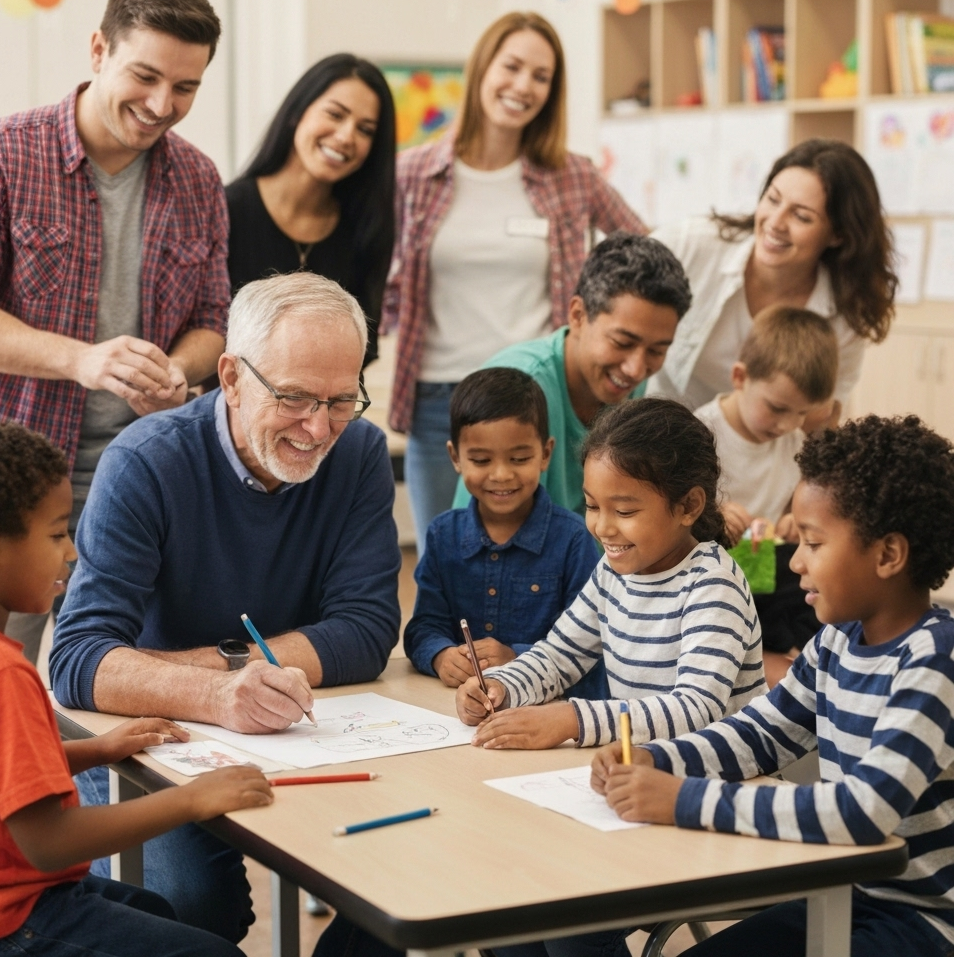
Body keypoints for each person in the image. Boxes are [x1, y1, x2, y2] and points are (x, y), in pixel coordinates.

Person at [48, 273, 401, 943]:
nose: (318, 427)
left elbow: (366, 632)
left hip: (303, 734)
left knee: (392, 881)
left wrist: (199, 670)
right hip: (153, 744)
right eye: (295, 398)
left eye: (340, 400)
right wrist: (216, 693)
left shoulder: (358, 452)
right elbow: (78, 660)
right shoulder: (145, 462)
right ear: (232, 377)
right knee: (194, 906)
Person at [0, 0, 230, 664]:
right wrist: (82, 359)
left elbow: (214, 315)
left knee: (117, 671)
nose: (162, 105)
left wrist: (174, 371)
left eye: (185, 88)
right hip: (10, 478)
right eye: (146, 76)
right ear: (98, 49)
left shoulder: (199, 179)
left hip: (142, 473)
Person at [592, 414, 954, 957]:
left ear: (887, 555)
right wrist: (655, 759)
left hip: (921, 919)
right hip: (841, 891)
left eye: (811, 542)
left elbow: (861, 812)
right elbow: (758, 735)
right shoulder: (836, 641)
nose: (797, 562)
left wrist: (682, 799)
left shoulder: (934, 661)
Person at [0, 418, 273, 957]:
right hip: (0, 920)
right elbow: (48, 842)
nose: (71, 553)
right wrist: (191, 800)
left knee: (155, 911)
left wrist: (98, 749)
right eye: (56, 533)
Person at [454, 398, 764, 957]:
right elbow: (559, 655)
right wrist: (504, 685)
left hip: (712, 796)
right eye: (594, 506)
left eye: (624, 510)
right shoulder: (616, 571)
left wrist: (572, 718)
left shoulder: (712, 584)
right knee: (502, 896)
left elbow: (698, 710)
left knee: (570, 914)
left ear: (689, 505)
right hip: (634, 787)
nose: (600, 526)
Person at [383, 11, 646, 551]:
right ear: (483, 68)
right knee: (447, 566)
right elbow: (374, 270)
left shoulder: (571, 174)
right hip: (440, 401)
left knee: (543, 562)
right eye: (513, 67)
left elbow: (642, 249)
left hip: (535, 397)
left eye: (541, 76)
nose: (523, 86)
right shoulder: (413, 173)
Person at [646, 138, 897, 425]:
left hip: (764, 452)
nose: (775, 222)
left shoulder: (844, 313)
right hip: (662, 436)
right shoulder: (690, 245)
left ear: (837, 235)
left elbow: (820, 419)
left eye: (802, 216)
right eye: (773, 199)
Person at [453, 233, 690, 518]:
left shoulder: (626, 385)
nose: (636, 369)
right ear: (577, 315)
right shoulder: (520, 388)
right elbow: (475, 536)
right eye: (622, 343)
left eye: (656, 351)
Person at [403, 367, 604, 700]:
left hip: (545, 708)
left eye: (519, 458)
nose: (501, 475)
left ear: (545, 454)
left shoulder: (572, 539)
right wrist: (440, 656)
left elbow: (589, 644)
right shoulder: (443, 534)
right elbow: (424, 626)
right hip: (456, 710)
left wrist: (517, 656)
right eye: (481, 460)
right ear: (455, 457)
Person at [695, 306, 838, 687]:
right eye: (777, 408)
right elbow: (671, 515)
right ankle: (756, 652)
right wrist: (714, 516)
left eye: (801, 413)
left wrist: (796, 520)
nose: (788, 424)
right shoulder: (700, 432)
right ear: (740, 377)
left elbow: (791, 505)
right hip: (711, 571)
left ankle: (799, 656)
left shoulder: (791, 440)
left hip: (761, 565)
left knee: (827, 572)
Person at [225, 54, 395, 365]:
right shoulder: (226, 211)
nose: (346, 137)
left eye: (366, 130)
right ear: (297, 112)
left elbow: (364, 345)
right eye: (335, 114)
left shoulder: (366, 227)